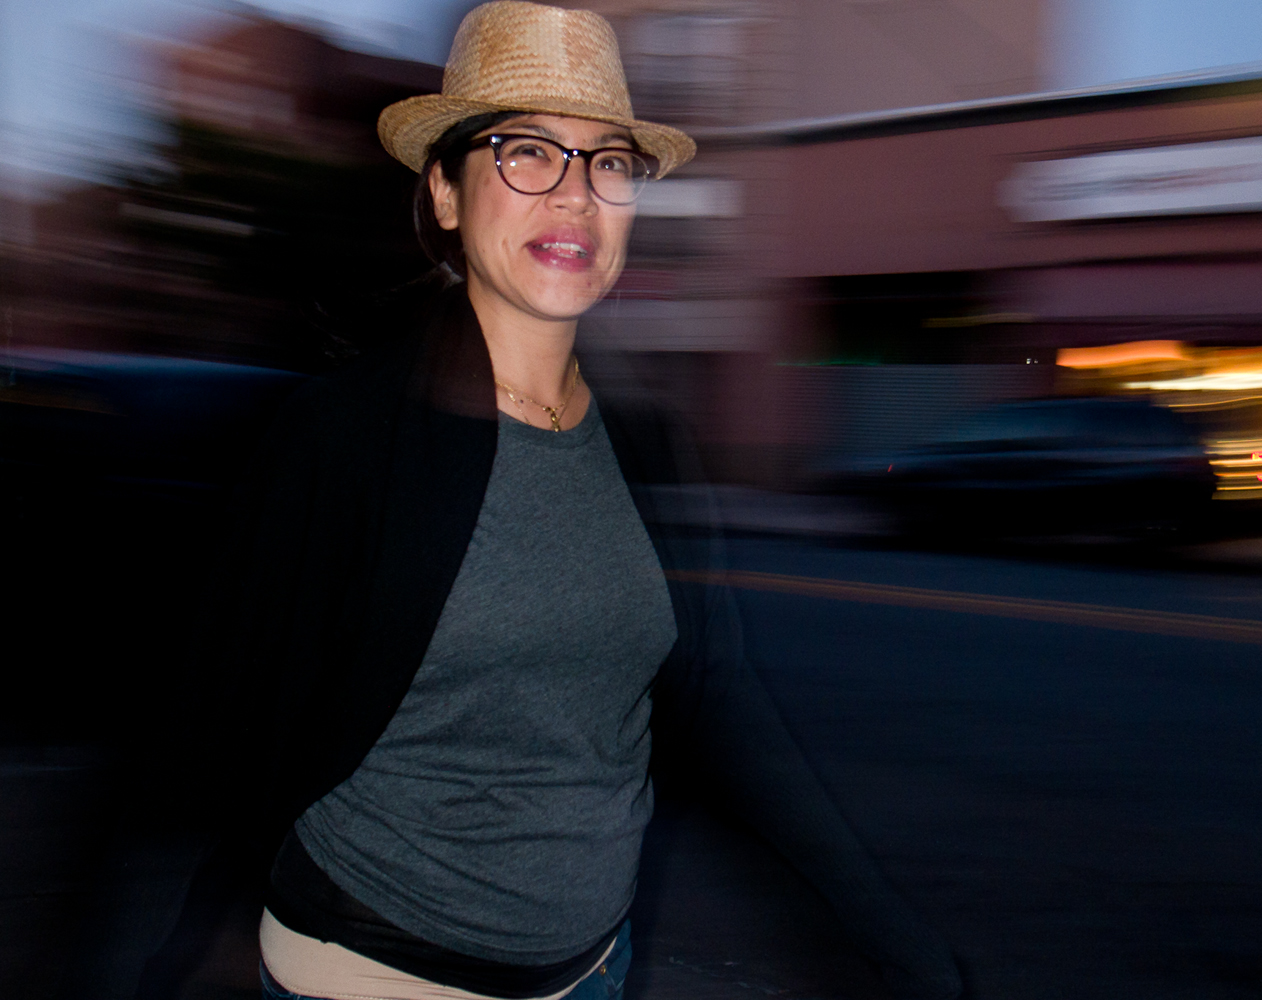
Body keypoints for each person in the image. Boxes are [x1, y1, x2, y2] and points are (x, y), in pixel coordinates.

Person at [135, 4, 963, 1000]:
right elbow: (213, 739)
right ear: (445, 192)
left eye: (608, 162)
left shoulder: (645, 440)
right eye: (527, 151)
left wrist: (865, 923)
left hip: (595, 972)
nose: (576, 194)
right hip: (373, 973)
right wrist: (158, 953)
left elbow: (706, 709)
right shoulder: (344, 437)